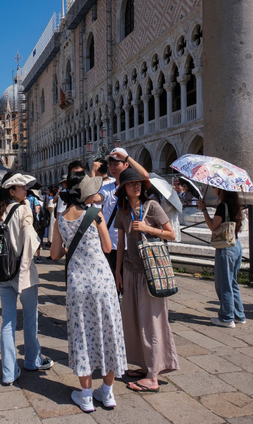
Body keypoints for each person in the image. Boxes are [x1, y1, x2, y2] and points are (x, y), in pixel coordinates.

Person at [51, 172, 127, 412]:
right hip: (102, 282)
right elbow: (107, 247)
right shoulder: (96, 214)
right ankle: (107, 393)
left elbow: (54, 254)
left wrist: (67, 246)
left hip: (78, 284)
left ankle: (85, 396)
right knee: (108, 332)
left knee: (82, 334)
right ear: (85, 194)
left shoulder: (60, 219)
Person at [114, 168, 179, 392]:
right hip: (130, 272)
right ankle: (143, 365)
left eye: (139, 183)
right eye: (132, 184)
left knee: (152, 322)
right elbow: (121, 243)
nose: (137, 186)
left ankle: (153, 375)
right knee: (132, 321)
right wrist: (118, 272)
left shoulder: (152, 206)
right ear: (123, 188)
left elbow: (171, 234)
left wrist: (148, 228)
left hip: (151, 273)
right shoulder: (122, 210)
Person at [0, 172, 54, 386]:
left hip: (3, 271)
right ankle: (31, 360)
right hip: (22, 271)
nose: (26, 189)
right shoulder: (23, 208)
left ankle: (8, 372)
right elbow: (29, 236)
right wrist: (28, 259)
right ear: (11, 191)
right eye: (21, 187)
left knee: (8, 321)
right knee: (30, 318)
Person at [91, 147, 149, 284]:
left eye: (116, 163)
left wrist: (127, 157)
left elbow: (145, 176)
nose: (112, 167)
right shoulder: (107, 187)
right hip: (111, 244)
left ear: (126, 164)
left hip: (131, 243)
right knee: (112, 281)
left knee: (130, 282)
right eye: (110, 164)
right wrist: (93, 172)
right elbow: (93, 198)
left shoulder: (133, 187)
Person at [198, 188, 246, 328]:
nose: (213, 188)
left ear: (221, 189)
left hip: (225, 247)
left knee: (224, 284)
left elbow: (213, 226)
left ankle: (226, 318)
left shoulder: (222, 206)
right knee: (232, 283)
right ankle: (239, 315)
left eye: (215, 186)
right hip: (236, 245)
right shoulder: (235, 205)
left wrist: (204, 210)